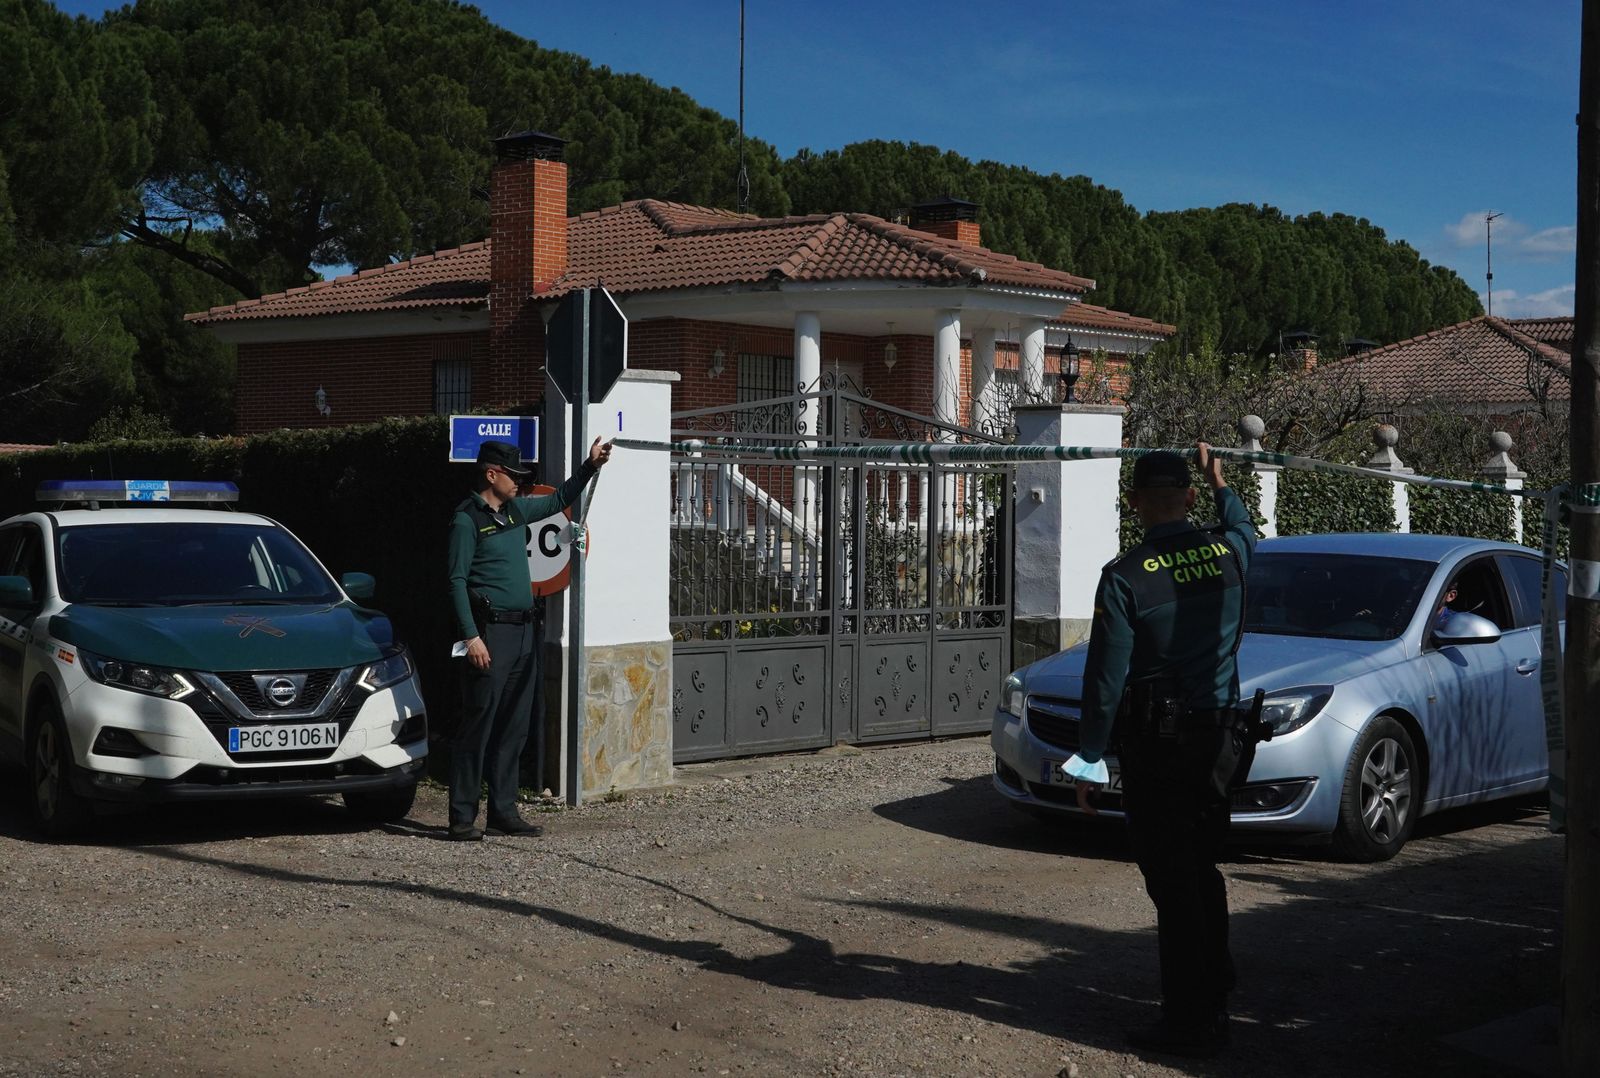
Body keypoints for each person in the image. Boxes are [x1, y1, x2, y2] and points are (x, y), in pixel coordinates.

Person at [1061, 443, 1258, 1058]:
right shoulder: (1229, 553)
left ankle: (1189, 1017)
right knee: (1201, 868)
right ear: (1191, 498)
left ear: (1134, 502)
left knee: (1171, 881)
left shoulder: (1124, 577)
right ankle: (1214, 987)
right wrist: (1220, 478)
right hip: (1221, 736)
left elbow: (1105, 678)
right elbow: (1244, 526)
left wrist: (1090, 756)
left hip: (1160, 745)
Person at [445, 437, 612, 841]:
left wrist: (590, 467)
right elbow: (455, 581)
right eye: (513, 476)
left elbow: (558, 502)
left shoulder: (514, 512)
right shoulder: (467, 520)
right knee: (479, 725)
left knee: (514, 727)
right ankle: (462, 818)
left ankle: (503, 811)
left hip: (523, 632)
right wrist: (471, 638)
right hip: (492, 634)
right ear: (491, 474)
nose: (520, 483)